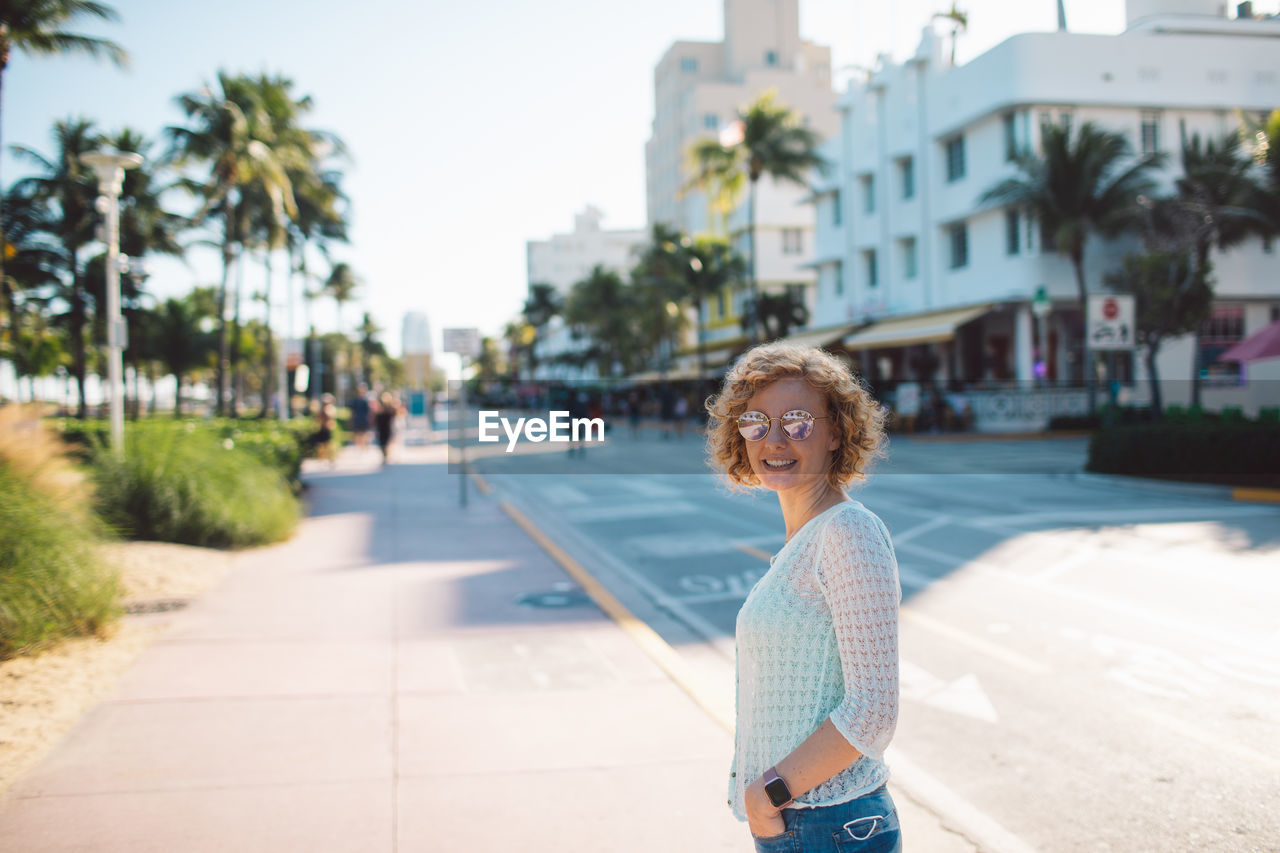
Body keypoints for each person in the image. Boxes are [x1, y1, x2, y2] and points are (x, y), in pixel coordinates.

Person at [705, 342, 901, 852]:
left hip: (831, 826)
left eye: (797, 422)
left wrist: (768, 795)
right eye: (755, 422)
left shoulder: (848, 533)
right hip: (807, 826)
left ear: (836, 432)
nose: (774, 439)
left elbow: (874, 711)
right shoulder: (806, 539)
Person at [373, 391, 399, 465]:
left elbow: (394, 414)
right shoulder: (380, 406)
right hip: (381, 426)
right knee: (382, 441)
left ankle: (386, 455)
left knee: (387, 441)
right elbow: (376, 416)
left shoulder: (390, 407)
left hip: (387, 426)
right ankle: (384, 455)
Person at [349, 383, 373, 449]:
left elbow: (368, 411)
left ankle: (363, 446)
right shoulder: (355, 400)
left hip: (364, 419)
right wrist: (352, 419)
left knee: (364, 433)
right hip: (357, 418)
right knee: (357, 433)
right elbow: (352, 411)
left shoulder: (366, 400)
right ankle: (358, 446)